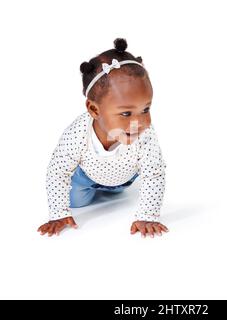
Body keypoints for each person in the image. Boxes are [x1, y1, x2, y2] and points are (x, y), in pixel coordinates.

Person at [38, 38, 168, 238]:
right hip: (86, 178)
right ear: (94, 109)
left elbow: (154, 173)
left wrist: (148, 215)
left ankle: (113, 190)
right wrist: (58, 214)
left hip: (124, 179)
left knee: (118, 192)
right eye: (126, 113)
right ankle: (94, 191)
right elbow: (58, 170)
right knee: (78, 201)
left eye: (145, 109)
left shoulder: (144, 134)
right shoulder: (78, 133)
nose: (139, 122)